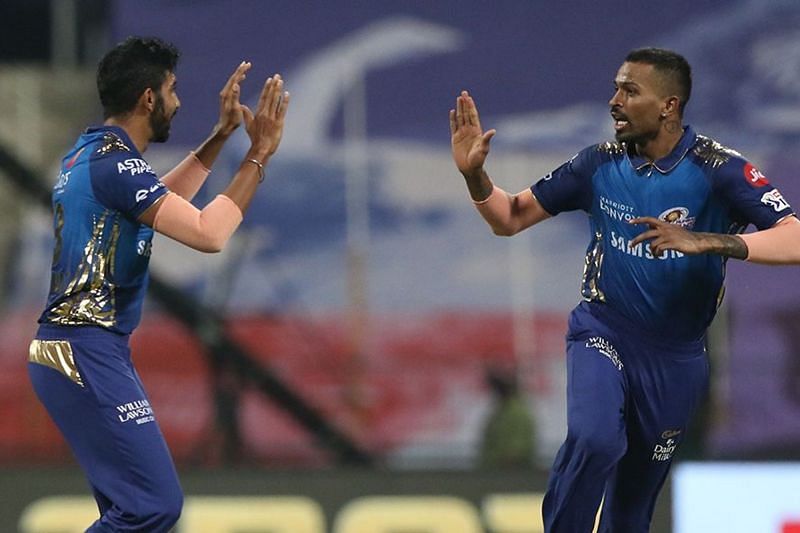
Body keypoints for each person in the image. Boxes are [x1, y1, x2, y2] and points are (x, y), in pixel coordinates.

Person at [450, 47, 800, 532]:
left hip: (676, 361)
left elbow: (796, 236)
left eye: (630, 91)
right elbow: (509, 218)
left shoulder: (719, 169)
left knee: (631, 513)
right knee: (596, 440)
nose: (614, 101)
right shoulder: (597, 164)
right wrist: (475, 177)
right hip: (604, 331)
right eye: (616, 87)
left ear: (668, 106)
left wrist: (708, 241)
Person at [27, 36, 289, 531]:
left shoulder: (92, 154)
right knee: (153, 506)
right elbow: (209, 234)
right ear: (149, 97)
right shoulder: (115, 164)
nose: (178, 100)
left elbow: (155, 208)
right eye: (172, 89)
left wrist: (221, 136)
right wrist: (259, 155)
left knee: (128, 513)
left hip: (76, 351)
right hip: (84, 351)